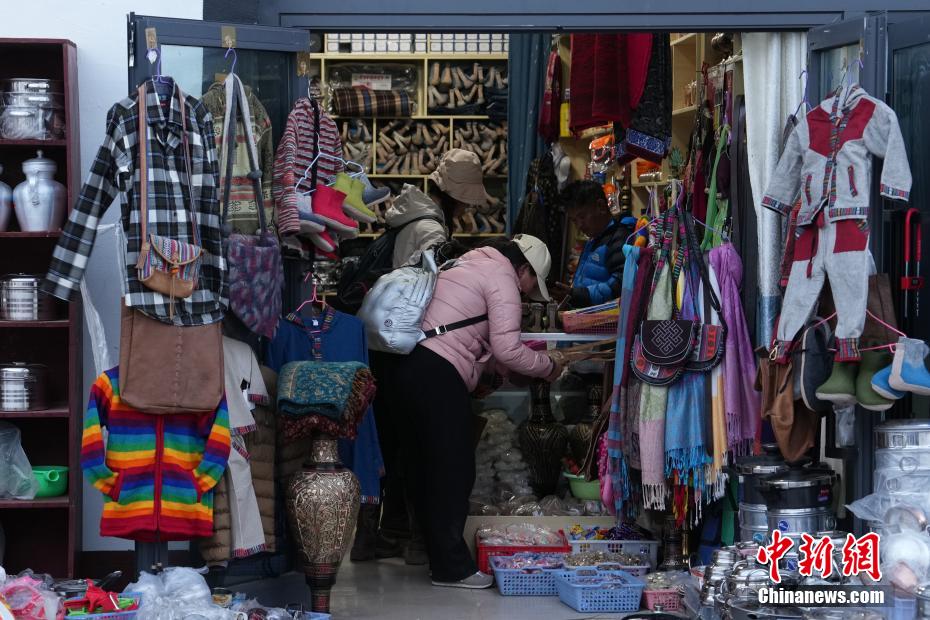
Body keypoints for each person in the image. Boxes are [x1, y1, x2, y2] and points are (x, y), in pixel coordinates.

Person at [390, 234, 564, 589]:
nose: (527, 293)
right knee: (454, 469)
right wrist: (549, 366)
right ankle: (451, 568)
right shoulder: (502, 277)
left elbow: (474, 336)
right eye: (532, 285)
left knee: (424, 466)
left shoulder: (469, 263)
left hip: (407, 365)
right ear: (524, 269)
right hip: (437, 371)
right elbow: (507, 348)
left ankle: (431, 553)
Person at [357, 149, 487, 565]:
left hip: (384, 342)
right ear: (458, 197)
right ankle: (414, 538)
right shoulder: (431, 228)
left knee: (390, 440)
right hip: (406, 342)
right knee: (415, 444)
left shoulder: (410, 217)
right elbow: (430, 289)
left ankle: (383, 532)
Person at [551, 180, 636, 308]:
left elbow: (620, 285)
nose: (579, 225)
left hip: (605, 319)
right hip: (584, 316)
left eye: (582, 217)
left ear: (601, 206)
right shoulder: (594, 238)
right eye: (574, 220)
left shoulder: (620, 237)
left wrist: (576, 295)